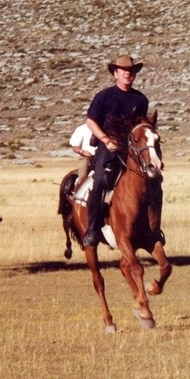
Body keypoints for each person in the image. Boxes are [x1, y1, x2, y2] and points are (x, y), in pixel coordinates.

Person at [82, 55, 149, 247]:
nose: (128, 74)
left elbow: (142, 126)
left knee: (153, 181)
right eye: (124, 71)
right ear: (115, 73)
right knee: (101, 180)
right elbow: (91, 121)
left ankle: (151, 228)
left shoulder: (141, 99)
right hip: (108, 147)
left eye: (131, 71)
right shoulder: (104, 96)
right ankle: (93, 229)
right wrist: (105, 139)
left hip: (132, 149)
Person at [68, 123, 96, 187]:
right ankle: (77, 192)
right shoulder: (82, 129)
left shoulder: (106, 127)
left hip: (102, 157)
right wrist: (83, 152)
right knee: (83, 177)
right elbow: (75, 147)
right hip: (86, 158)